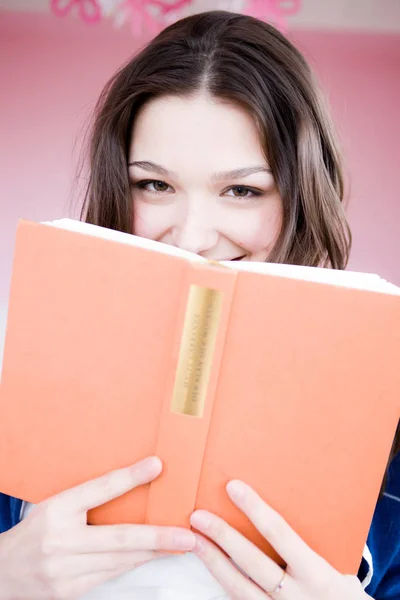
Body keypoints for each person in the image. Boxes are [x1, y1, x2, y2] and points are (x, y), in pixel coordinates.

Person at [0, 10, 399, 600]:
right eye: (154, 185)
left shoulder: (383, 445)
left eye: (242, 190)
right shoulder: (27, 403)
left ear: (303, 197)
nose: (192, 237)